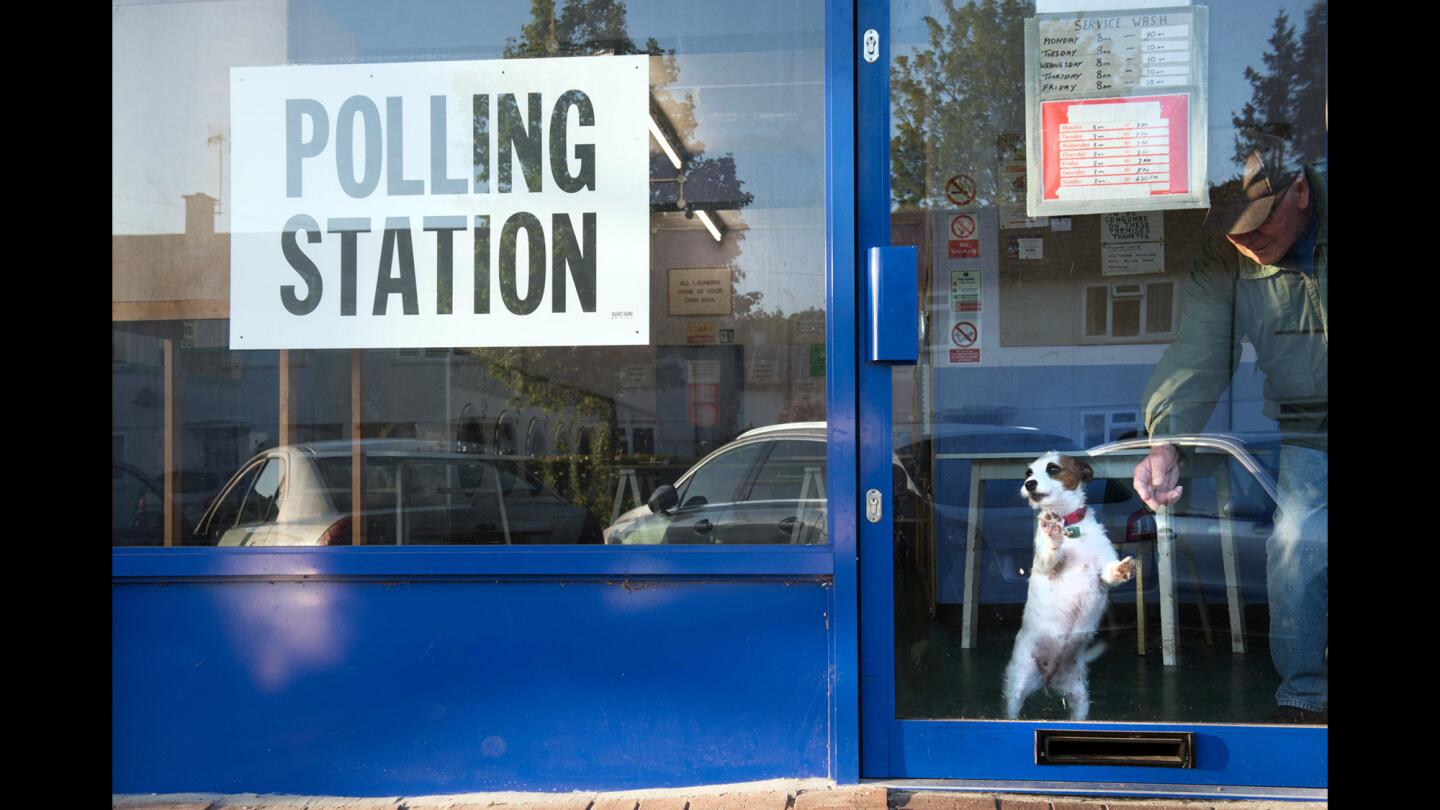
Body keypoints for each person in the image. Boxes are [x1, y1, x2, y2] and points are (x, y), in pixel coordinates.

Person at [1132, 140, 1327, 724]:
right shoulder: (1225, 253)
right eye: (1233, 231)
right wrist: (1165, 437)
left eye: (1258, 228)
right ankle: (1307, 701)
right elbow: (1200, 349)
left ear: (1300, 192)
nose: (1245, 243)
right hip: (1309, 425)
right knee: (1296, 546)